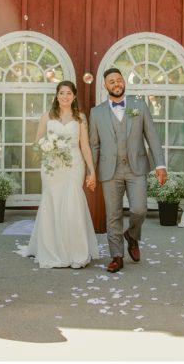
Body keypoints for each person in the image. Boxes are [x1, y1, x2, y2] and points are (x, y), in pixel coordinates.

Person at [88, 68, 167, 273]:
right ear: (105, 86)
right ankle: (116, 256)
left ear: (124, 82)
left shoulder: (139, 106)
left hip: (136, 168)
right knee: (113, 214)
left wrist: (160, 165)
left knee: (139, 209)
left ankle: (132, 235)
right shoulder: (96, 113)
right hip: (109, 170)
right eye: (111, 81)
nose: (116, 84)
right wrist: (92, 172)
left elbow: (153, 137)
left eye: (119, 80)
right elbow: (94, 145)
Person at [18, 81, 100, 268]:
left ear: (74, 96)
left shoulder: (80, 118)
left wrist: (91, 171)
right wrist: (49, 147)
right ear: (56, 95)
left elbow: (85, 146)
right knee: (52, 202)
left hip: (74, 164)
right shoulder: (47, 116)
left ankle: (75, 252)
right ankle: (52, 250)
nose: (65, 96)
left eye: (68, 93)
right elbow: (37, 142)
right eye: (61, 93)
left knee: (72, 203)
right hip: (52, 166)